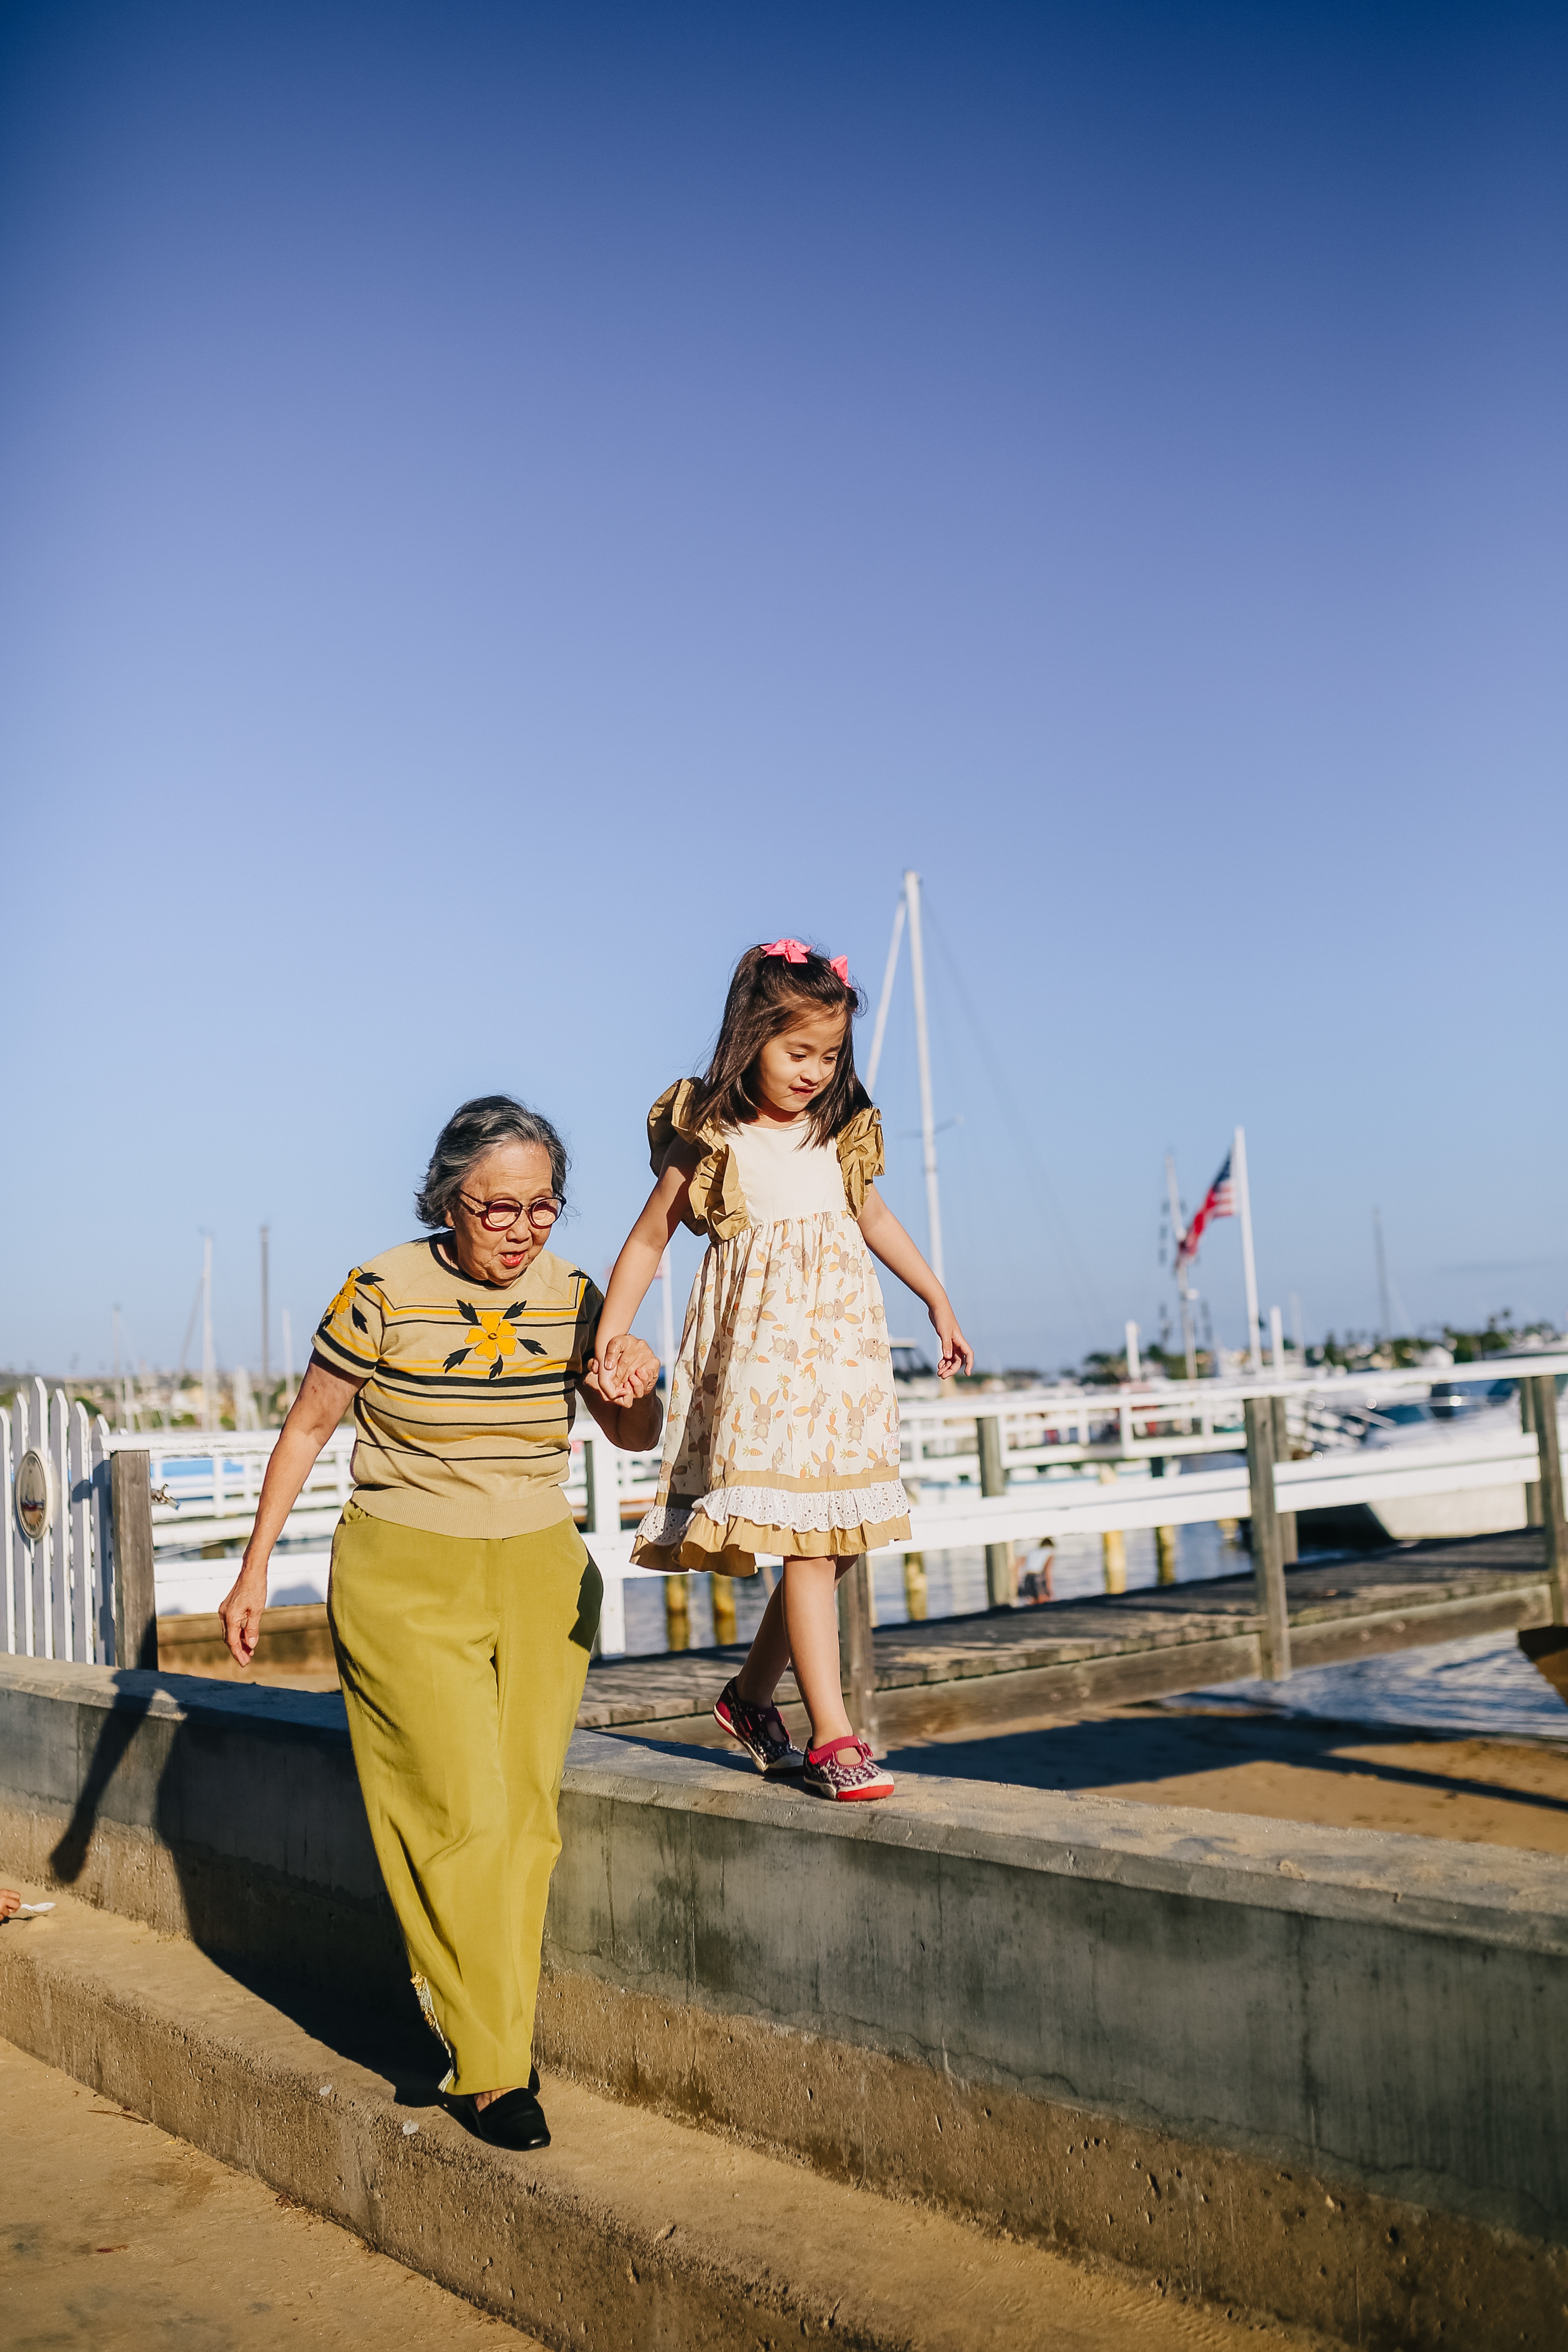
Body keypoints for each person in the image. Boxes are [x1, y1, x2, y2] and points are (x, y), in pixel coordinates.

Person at [218, 1097, 660, 2151]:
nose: (521, 1230)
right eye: (496, 1209)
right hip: (405, 1568)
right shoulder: (383, 1289)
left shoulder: (579, 1296)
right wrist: (253, 1569)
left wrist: (640, 1381)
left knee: (525, 1821)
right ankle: (493, 2065)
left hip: (545, 1572)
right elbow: (310, 1427)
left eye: (542, 1207)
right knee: (455, 1812)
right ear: (446, 1199)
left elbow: (633, 1434)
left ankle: (490, 2033)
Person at [594, 939, 973, 1801]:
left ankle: (750, 1697)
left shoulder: (838, 1129)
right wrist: (612, 1337)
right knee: (810, 1541)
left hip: (839, 1359)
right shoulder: (713, 1134)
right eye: (798, 1051)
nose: (814, 1071)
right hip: (764, 1359)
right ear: (750, 1038)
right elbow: (651, 1237)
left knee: (835, 1540)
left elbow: (872, 1216)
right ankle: (832, 1735)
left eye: (829, 1055)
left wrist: (935, 1298)